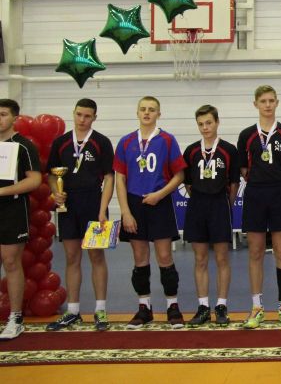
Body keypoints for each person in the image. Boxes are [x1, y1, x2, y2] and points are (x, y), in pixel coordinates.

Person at [114, 96, 187, 328]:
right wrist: (125, 212)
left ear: (158, 114)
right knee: (140, 258)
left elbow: (179, 175)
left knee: (165, 256)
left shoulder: (167, 140)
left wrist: (160, 194)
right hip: (134, 204)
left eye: (152, 109)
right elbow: (119, 178)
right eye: (143, 109)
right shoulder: (126, 142)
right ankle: (144, 308)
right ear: (137, 112)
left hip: (159, 202)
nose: (147, 113)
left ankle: (173, 307)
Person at [45, 99, 114, 331]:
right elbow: (52, 175)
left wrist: (103, 209)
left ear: (94, 117)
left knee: (96, 257)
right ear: (73, 113)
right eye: (79, 114)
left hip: (93, 203)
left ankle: (100, 310)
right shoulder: (61, 142)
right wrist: (56, 193)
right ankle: (73, 311)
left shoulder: (101, 142)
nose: (82, 119)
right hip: (68, 205)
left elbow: (109, 177)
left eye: (87, 116)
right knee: (72, 257)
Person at [238, 86, 281, 329]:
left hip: (280, 193)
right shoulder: (246, 135)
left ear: (277, 103)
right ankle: (257, 307)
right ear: (256, 104)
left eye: (271, 100)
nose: (267, 105)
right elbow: (244, 169)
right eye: (263, 101)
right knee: (255, 251)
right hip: (255, 194)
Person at [183, 105, 240, 327]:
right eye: (201, 124)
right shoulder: (191, 151)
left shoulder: (229, 150)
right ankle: (203, 306)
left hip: (219, 205)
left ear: (217, 122)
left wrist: (225, 203)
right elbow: (188, 184)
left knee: (222, 258)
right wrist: (201, 198)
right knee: (200, 259)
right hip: (197, 205)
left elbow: (234, 184)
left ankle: (221, 306)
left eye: (208, 123)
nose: (205, 127)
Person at [0, 99, 42, 341]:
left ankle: (15, 318)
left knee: (11, 261)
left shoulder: (24, 146)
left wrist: (3, 191)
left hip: (12, 210)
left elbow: (34, 180)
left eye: (3, 114)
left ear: (14, 118)